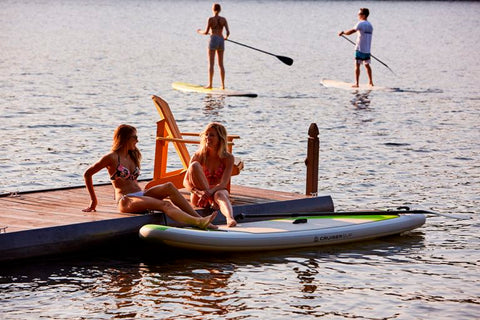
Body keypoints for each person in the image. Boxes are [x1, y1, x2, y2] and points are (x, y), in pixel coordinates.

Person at [82, 124, 217, 230]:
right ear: (125, 139)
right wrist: (93, 201)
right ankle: (198, 222)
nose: (137, 140)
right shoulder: (111, 157)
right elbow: (88, 174)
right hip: (126, 200)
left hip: (141, 194)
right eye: (134, 137)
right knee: (165, 204)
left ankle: (200, 218)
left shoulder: (132, 155)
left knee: (169, 186)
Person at [183, 122, 237, 227]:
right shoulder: (198, 155)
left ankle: (230, 218)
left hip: (217, 192)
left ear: (220, 138)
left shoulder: (228, 158)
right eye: (206, 135)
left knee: (220, 194)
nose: (208, 137)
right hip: (200, 196)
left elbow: (223, 183)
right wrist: (198, 192)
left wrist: (210, 192)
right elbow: (185, 181)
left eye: (212, 135)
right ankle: (210, 202)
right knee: (194, 165)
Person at [197, 3, 230, 90]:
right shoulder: (224, 19)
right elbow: (228, 32)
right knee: (221, 64)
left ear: (213, 9)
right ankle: (223, 85)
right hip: (221, 40)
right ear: (220, 10)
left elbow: (206, 31)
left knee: (211, 64)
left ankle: (210, 84)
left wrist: (199, 31)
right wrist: (225, 38)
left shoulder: (210, 19)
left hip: (214, 39)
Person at [338, 8, 374, 87]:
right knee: (367, 65)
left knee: (357, 65)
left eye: (359, 14)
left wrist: (343, 32)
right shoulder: (370, 25)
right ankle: (371, 82)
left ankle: (357, 83)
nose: (358, 16)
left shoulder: (360, 23)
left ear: (364, 15)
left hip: (360, 49)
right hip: (367, 50)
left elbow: (351, 32)